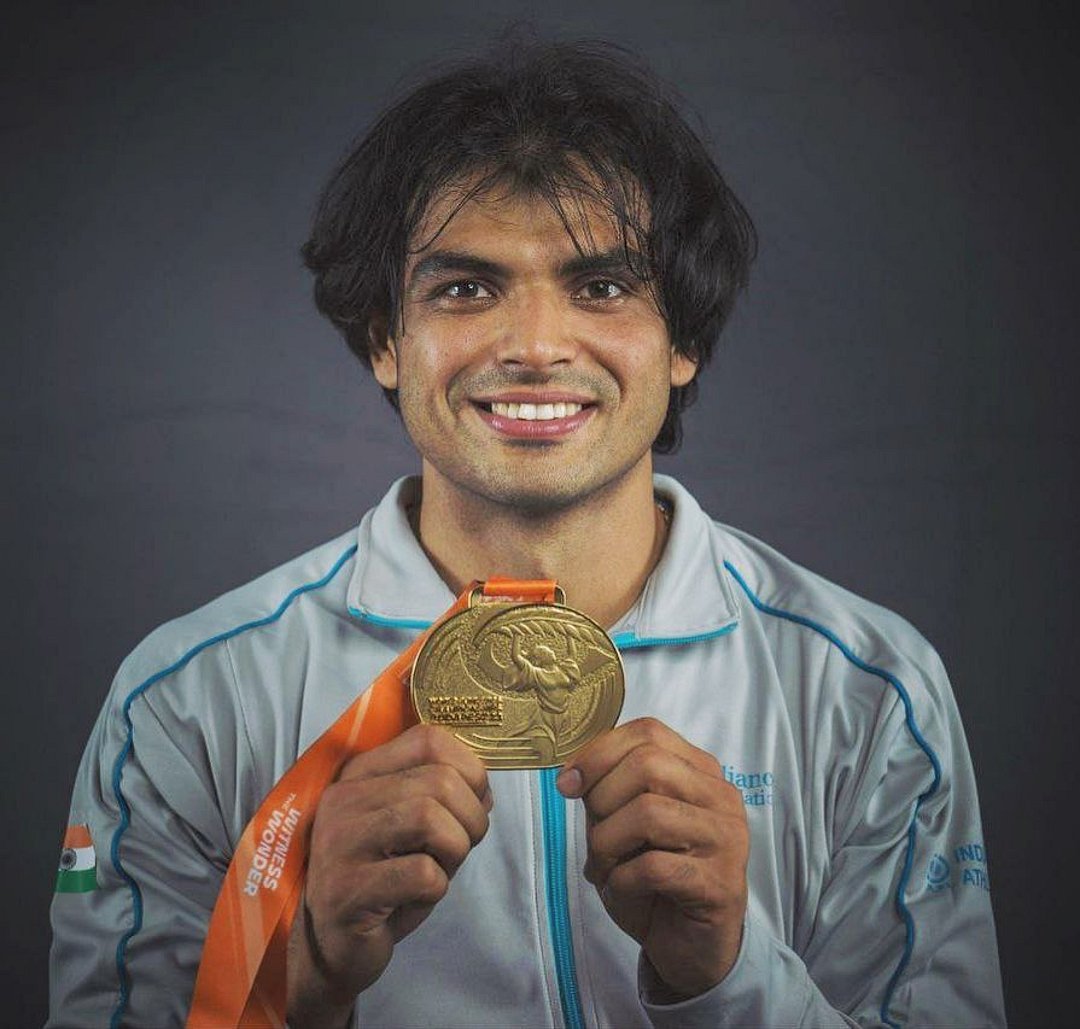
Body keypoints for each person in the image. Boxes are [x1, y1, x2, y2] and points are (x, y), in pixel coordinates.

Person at [48, 39, 1005, 1028]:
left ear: (683, 340)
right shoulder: (187, 700)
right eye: (465, 288)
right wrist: (303, 972)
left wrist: (725, 971)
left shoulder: (871, 691)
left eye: (601, 288)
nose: (537, 347)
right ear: (385, 337)